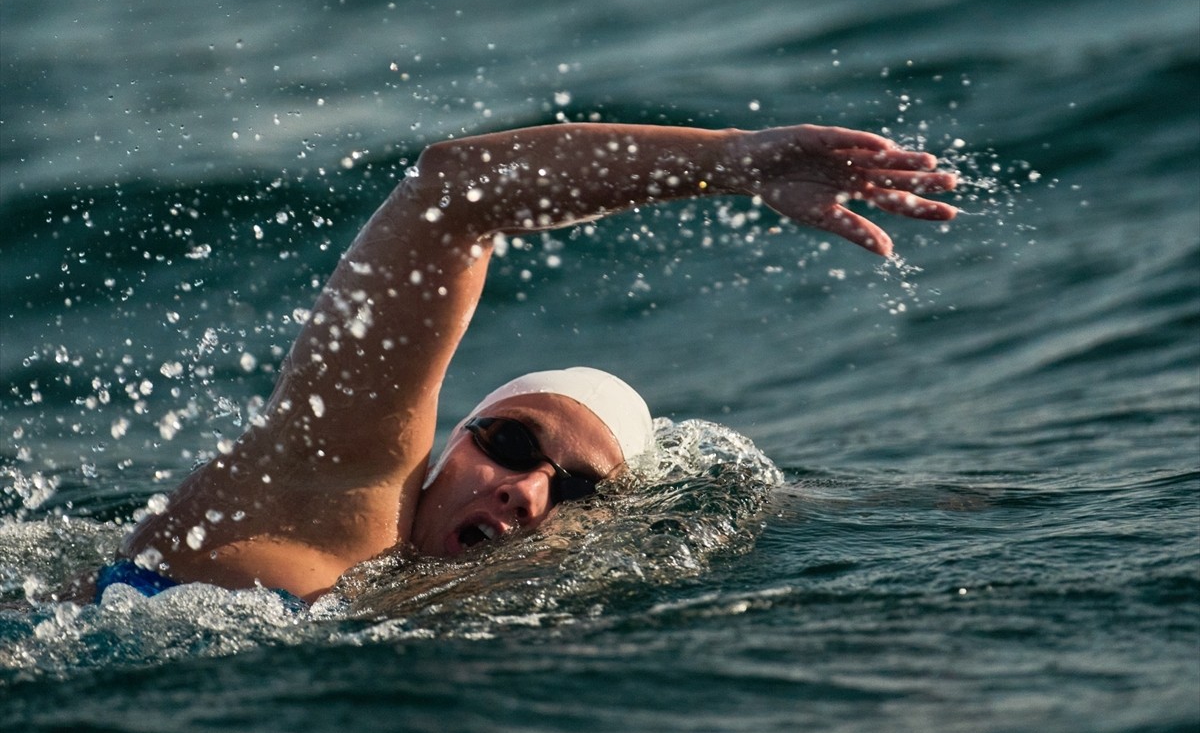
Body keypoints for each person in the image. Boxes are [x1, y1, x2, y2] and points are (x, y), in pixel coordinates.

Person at [84, 121, 957, 604]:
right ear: (455, 437)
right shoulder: (337, 493)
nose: (523, 489)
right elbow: (451, 194)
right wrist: (729, 163)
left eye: (573, 488)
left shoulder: (498, 625)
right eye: (507, 442)